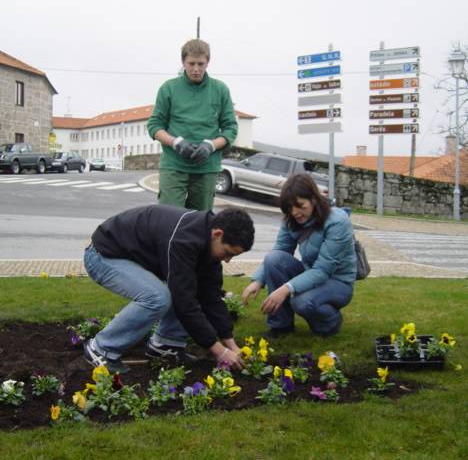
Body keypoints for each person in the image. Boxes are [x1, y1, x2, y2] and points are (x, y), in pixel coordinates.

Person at [83, 205, 254, 373]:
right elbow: (184, 302)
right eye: (228, 253)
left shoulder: (207, 243)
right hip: (103, 256)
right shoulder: (184, 240)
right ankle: (101, 348)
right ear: (217, 234)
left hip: (131, 257)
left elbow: (211, 297)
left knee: (190, 289)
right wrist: (219, 351)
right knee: (157, 297)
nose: (228, 260)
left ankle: (166, 344)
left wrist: (231, 345)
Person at [242, 174, 356, 338]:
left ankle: (330, 323)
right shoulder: (291, 220)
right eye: (289, 208)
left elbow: (323, 270)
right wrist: (258, 280)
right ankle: (281, 326)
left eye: (300, 206)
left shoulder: (337, 222)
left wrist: (285, 289)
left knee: (302, 302)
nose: (295, 212)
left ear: (314, 199)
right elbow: (280, 250)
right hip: (310, 272)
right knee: (274, 259)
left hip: (338, 281)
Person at [147, 38, 238, 211]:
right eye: (191, 63)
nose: (196, 69)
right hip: (174, 166)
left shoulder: (220, 90)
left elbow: (231, 128)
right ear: (183, 62)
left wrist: (211, 145)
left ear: (208, 62)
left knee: (199, 223)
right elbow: (154, 125)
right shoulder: (169, 88)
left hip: (206, 168)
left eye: (201, 64)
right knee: (168, 217)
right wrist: (176, 142)